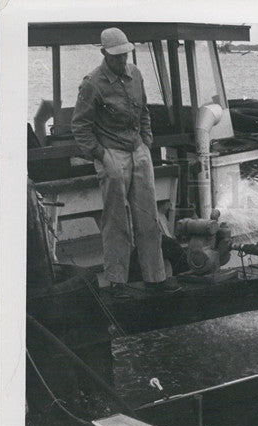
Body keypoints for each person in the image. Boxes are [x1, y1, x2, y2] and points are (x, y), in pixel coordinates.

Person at [71, 27, 178, 297]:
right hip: (110, 155)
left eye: (125, 55)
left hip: (138, 150)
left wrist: (147, 140)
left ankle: (155, 278)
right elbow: (80, 127)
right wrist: (100, 154)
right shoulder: (92, 84)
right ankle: (117, 282)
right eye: (116, 56)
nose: (122, 60)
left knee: (149, 218)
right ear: (104, 53)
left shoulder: (136, 75)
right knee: (116, 220)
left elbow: (144, 111)